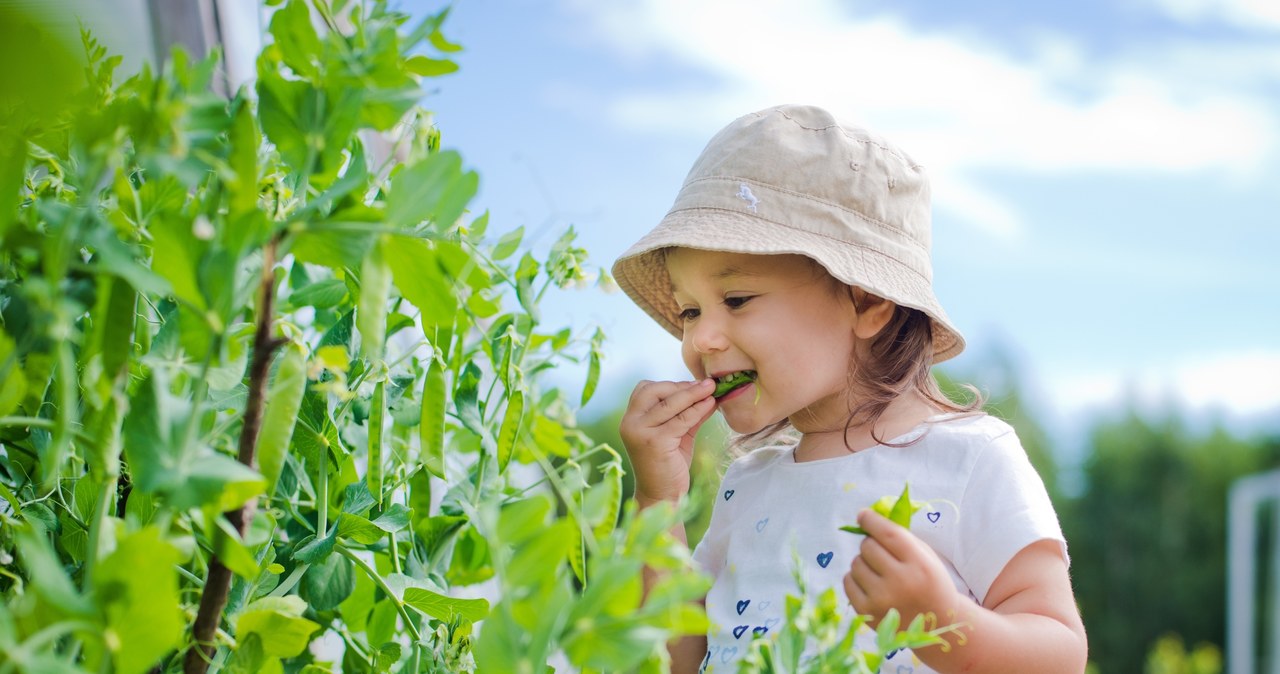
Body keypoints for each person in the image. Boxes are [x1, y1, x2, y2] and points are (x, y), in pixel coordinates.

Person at [611, 104, 1087, 674]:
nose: (700, 338)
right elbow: (678, 660)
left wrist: (937, 623)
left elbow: (1059, 653)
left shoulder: (971, 459)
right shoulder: (748, 484)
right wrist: (658, 504)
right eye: (689, 311)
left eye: (736, 300)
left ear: (867, 301)